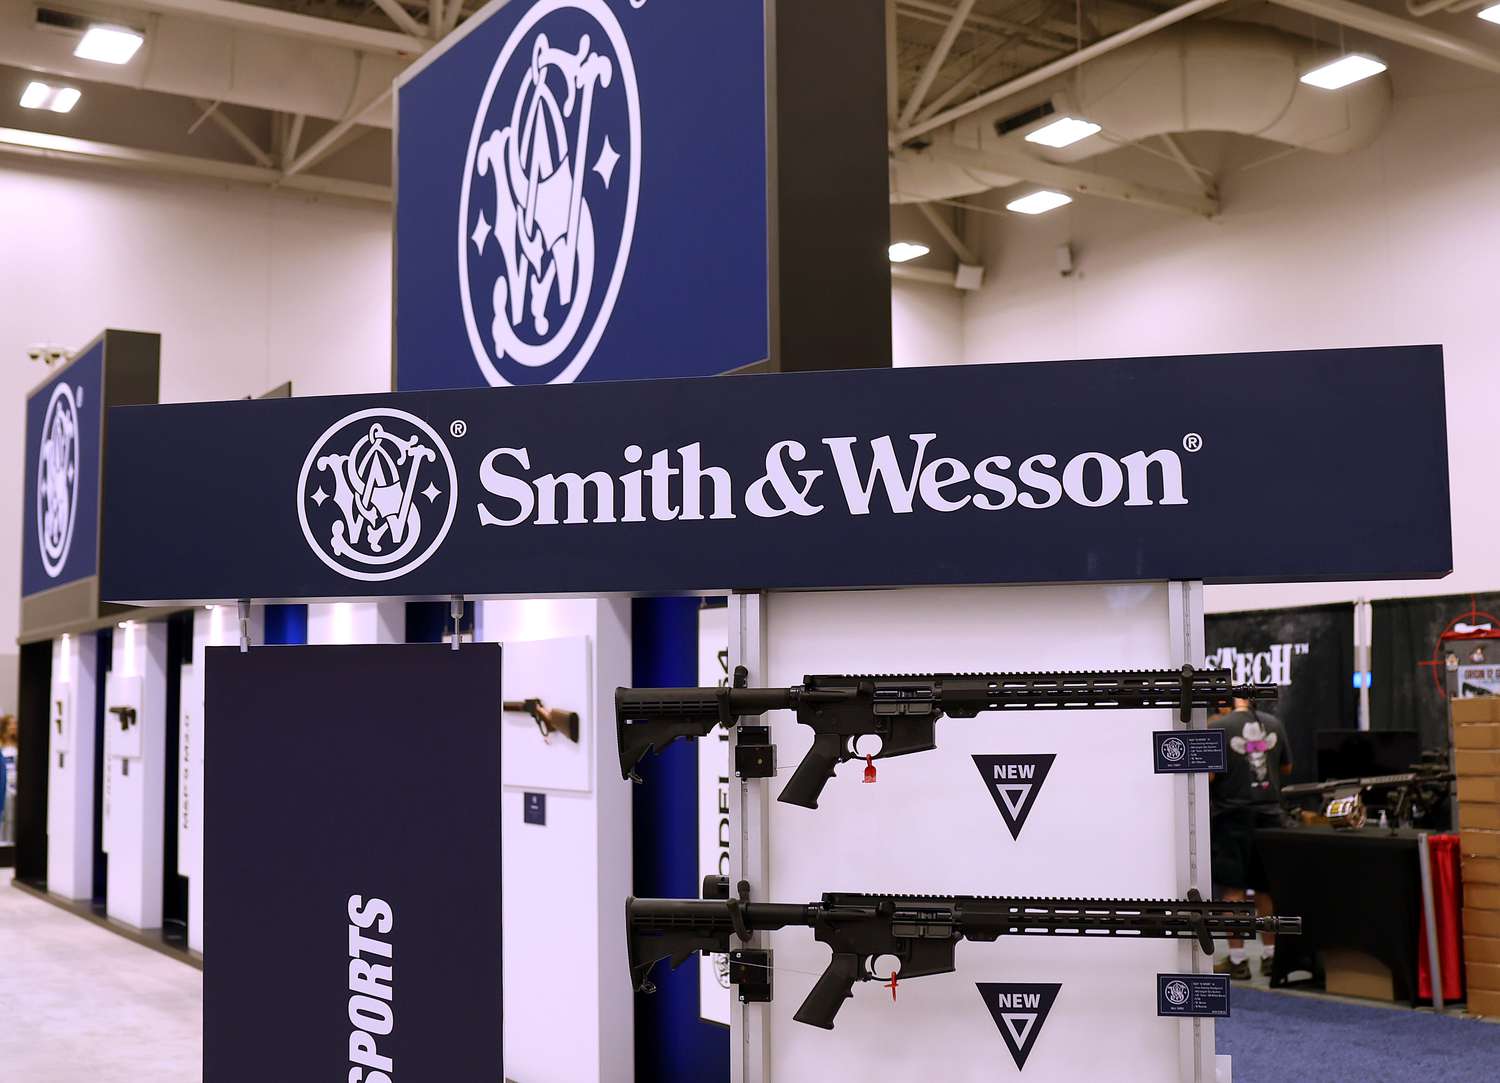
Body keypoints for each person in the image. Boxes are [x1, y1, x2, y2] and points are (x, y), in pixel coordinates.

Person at [1209, 695, 1292, 980]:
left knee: (1233, 892)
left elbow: (1208, 776)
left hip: (1231, 817)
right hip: (1270, 817)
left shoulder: (1217, 727)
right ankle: (1271, 957)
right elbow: (1286, 768)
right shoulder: (1274, 724)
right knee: (1265, 889)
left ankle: (1238, 959)